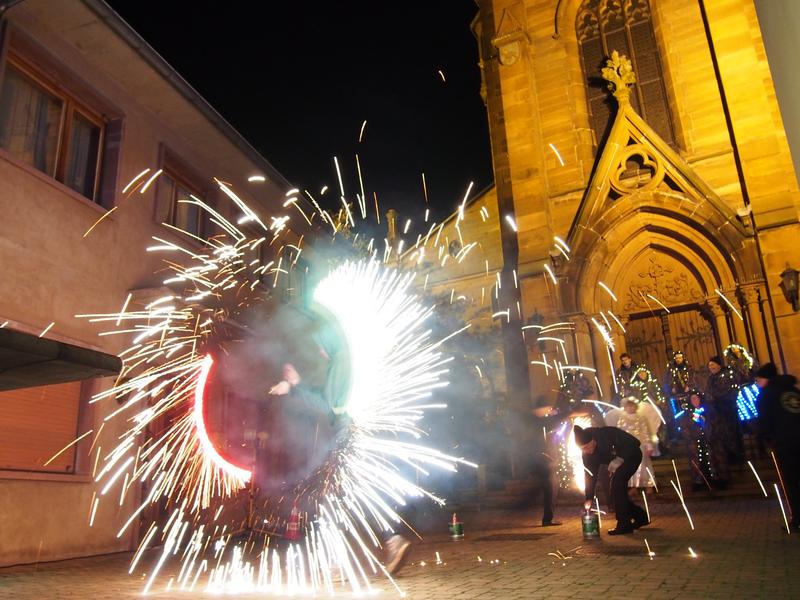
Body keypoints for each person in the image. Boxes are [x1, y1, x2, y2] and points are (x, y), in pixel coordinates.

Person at [575, 424, 650, 535]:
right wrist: (589, 497)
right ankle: (641, 517)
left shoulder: (608, 433)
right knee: (615, 494)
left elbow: (634, 443)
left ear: (593, 439)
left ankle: (624, 525)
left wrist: (620, 458)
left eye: (588, 446)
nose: (588, 450)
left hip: (631, 456)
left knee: (617, 484)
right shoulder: (587, 454)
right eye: (583, 449)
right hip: (615, 464)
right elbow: (590, 475)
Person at [755, 362, 800, 530]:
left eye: (758, 381)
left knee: (792, 481)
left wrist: (764, 441)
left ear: (765, 379)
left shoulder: (767, 394)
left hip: (785, 444)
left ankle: (797, 519)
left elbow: (764, 421)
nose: (758, 384)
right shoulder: (793, 390)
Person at [677, 391, 721, 491]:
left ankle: (715, 479)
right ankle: (699, 481)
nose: (695, 401)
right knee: (697, 462)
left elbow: (714, 424)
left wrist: (708, 432)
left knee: (711, 460)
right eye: (692, 399)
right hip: (695, 443)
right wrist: (692, 436)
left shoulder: (708, 411)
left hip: (708, 441)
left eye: (696, 398)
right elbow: (684, 428)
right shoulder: (687, 414)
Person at [612, 399, 657, 493]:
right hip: (628, 446)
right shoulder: (622, 419)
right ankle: (633, 486)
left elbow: (645, 432)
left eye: (632, 406)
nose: (630, 408)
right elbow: (619, 433)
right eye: (628, 406)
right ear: (625, 407)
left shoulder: (641, 418)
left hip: (640, 445)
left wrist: (648, 445)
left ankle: (648, 484)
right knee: (631, 465)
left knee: (644, 464)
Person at [706, 355, 744, 463]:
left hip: (727, 409)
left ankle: (736, 455)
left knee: (731, 433)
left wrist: (717, 397)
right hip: (716, 412)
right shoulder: (711, 378)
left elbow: (730, 390)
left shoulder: (727, 375)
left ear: (718, 365)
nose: (711, 367)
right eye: (709, 365)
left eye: (713, 364)